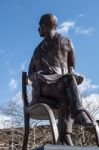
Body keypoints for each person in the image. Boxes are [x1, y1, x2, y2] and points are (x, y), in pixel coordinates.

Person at [28, 13, 91, 145]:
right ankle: (78, 112)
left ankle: (64, 137)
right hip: (43, 88)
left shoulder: (66, 42)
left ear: (48, 25)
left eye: (40, 26)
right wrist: (40, 75)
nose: (38, 29)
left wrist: (74, 76)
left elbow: (71, 68)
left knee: (66, 93)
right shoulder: (37, 50)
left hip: (61, 85)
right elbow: (30, 75)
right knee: (68, 83)